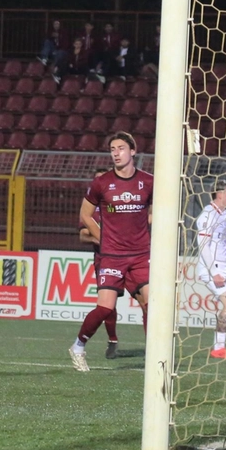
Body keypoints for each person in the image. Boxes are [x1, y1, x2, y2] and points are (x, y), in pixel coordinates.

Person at [69, 132, 153, 372]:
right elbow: (85, 215)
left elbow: (158, 209)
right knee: (105, 307)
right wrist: (102, 237)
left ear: (133, 151)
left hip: (140, 255)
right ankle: (78, 346)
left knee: (152, 302)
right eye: (112, 149)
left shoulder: (148, 181)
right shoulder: (102, 182)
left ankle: (154, 354)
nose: (116, 153)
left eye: (121, 148)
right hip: (112, 256)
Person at [197, 180, 226, 359]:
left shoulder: (225, 215)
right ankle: (218, 348)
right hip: (211, 269)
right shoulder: (207, 215)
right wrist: (214, 272)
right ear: (219, 194)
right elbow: (203, 246)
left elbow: (223, 246)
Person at [78, 168, 120, 359]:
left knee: (145, 300)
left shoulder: (119, 203)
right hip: (105, 259)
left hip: (132, 257)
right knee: (107, 305)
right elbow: (82, 235)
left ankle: (154, 347)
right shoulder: (90, 210)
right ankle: (112, 340)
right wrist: (101, 239)